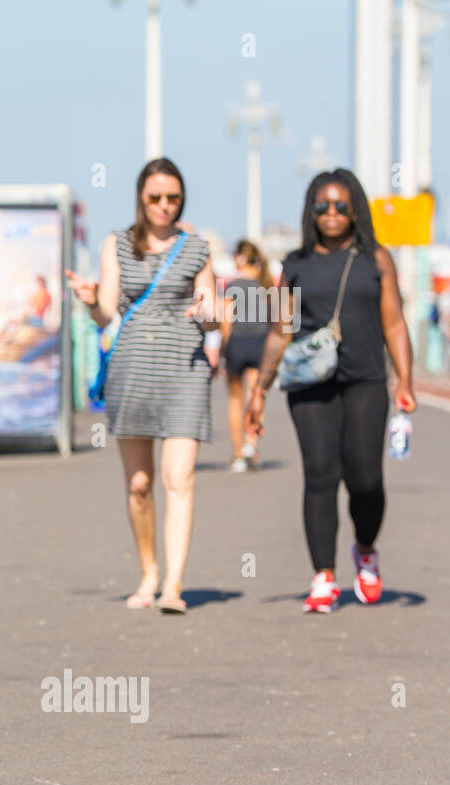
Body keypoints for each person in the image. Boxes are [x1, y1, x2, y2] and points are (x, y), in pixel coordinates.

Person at [245, 169, 417, 614]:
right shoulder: (296, 264)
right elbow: (280, 331)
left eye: (342, 206)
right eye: (323, 207)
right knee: (321, 474)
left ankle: (365, 548)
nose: (332, 214)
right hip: (309, 385)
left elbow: (395, 324)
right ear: (311, 211)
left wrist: (406, 381)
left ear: (355, 208)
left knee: (365, 478)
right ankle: (323, 575)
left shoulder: (375, 259)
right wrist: (259, 391)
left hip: (366, 381)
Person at [66, 158, 218, 615]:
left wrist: (209, 314)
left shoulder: (196, 248)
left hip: (185, 370)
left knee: (180, 478)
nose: (164, 206)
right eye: (155, 197)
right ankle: (149, 570)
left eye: (173, 198)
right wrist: (92, 303)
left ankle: (173, 583)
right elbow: (107, 313)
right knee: (138, 484)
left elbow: (210, 313)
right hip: (132, 370)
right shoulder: (117, 244)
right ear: (140, 197)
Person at [219, 240, 274, 471]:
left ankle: (238, 451)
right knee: (256, 397)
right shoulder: (267, 286)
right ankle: (252, 445)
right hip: (260, 345)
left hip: (237, 344)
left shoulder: (234, 286)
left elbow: (226, 320)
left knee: (235, 399)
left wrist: (223, 347)